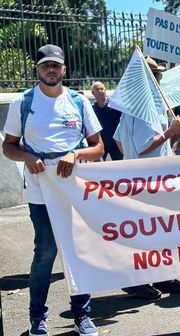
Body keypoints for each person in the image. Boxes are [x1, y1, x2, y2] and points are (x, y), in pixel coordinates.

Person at [2, 44, 104, 336]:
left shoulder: (78, 101)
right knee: (45, 252)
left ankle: (82, 315)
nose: (50, 69)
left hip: (73, 190)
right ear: (37, 69)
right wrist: (27, 157)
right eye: (45, 65)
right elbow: (8, 147)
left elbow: (98, 147)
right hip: (40, 191)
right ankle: (37, 318)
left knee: (76, 253)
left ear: (64, 70)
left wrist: (77, 155)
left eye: (55, 65)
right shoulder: (23, 102)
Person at [113, 56, 180, 299]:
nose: (160, 79)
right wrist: (170, 132)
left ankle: (161, 276)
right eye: (157, 75)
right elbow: (144, 146)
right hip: (146, 180)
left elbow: (119, 141)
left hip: (150, 177)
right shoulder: (143, 109)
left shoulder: (137, 106)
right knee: (145, 232)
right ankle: (136, 280)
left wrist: (172, 139)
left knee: (157, 231)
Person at [91, 81, 123, 161]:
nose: (100, 91)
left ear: (105, 90)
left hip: (116, 143)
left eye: (102, 89)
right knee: (99, 170)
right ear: (93, 93)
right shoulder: (91, 109)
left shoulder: (115, 105)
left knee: (120, 168)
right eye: (97, 89)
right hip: (100, 144)